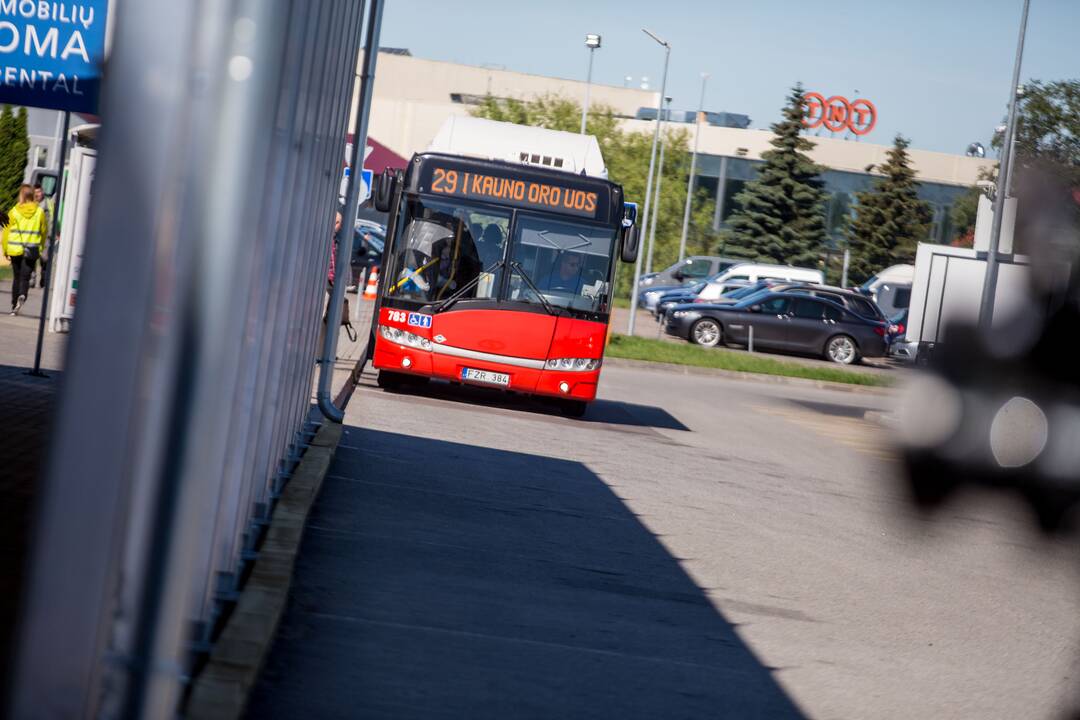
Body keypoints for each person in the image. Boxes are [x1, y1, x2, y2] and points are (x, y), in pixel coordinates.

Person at [2, 184, 47, 316]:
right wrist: (41, 247)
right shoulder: (39, 212)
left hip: (15, 249)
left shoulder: (13, 211)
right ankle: (22, 294)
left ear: (21, 195)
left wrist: (5, 248)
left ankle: (13, 306)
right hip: (31, 249)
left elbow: (6, 232)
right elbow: (43, 232)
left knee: (16, 277)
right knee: (25, 277)